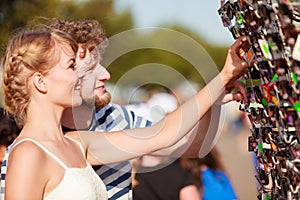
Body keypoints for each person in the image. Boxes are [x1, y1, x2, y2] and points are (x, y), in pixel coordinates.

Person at [1, 25, 248, 199]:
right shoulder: (28, 153)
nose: (80, 75)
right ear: (40, 82)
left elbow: (164, 134)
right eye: (71, 66)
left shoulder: (78, 143)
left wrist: (223, 77)